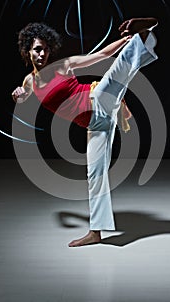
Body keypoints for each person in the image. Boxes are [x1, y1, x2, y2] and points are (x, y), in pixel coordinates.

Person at [12, 17, 158, 247]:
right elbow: (23, 99)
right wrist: (19, 96)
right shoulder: (29, 81)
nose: (42, 55)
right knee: (95, 175)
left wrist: (123, 40)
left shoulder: (62, 66)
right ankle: (96, 232)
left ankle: (143, 33)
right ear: (27, 51)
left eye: (45, 50)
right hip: (96, 124)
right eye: (37, 50)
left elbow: (99, 56)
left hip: (97, 99)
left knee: (119, 69)